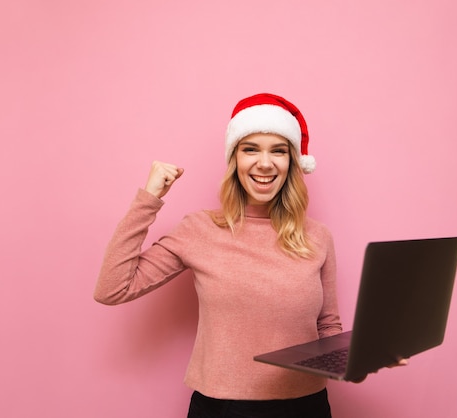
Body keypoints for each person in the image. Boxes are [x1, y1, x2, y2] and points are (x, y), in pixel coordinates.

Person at [94, 93, 343, 417]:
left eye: (278, 151)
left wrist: (360, 358)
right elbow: (113, 288)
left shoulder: (317, 236)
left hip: (305, 406)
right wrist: (149, 198)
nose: (265, 163)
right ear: (234, 159)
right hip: (221, 408)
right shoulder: (199, 230)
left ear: (292, 162)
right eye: (250, 148)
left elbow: (328, 326)